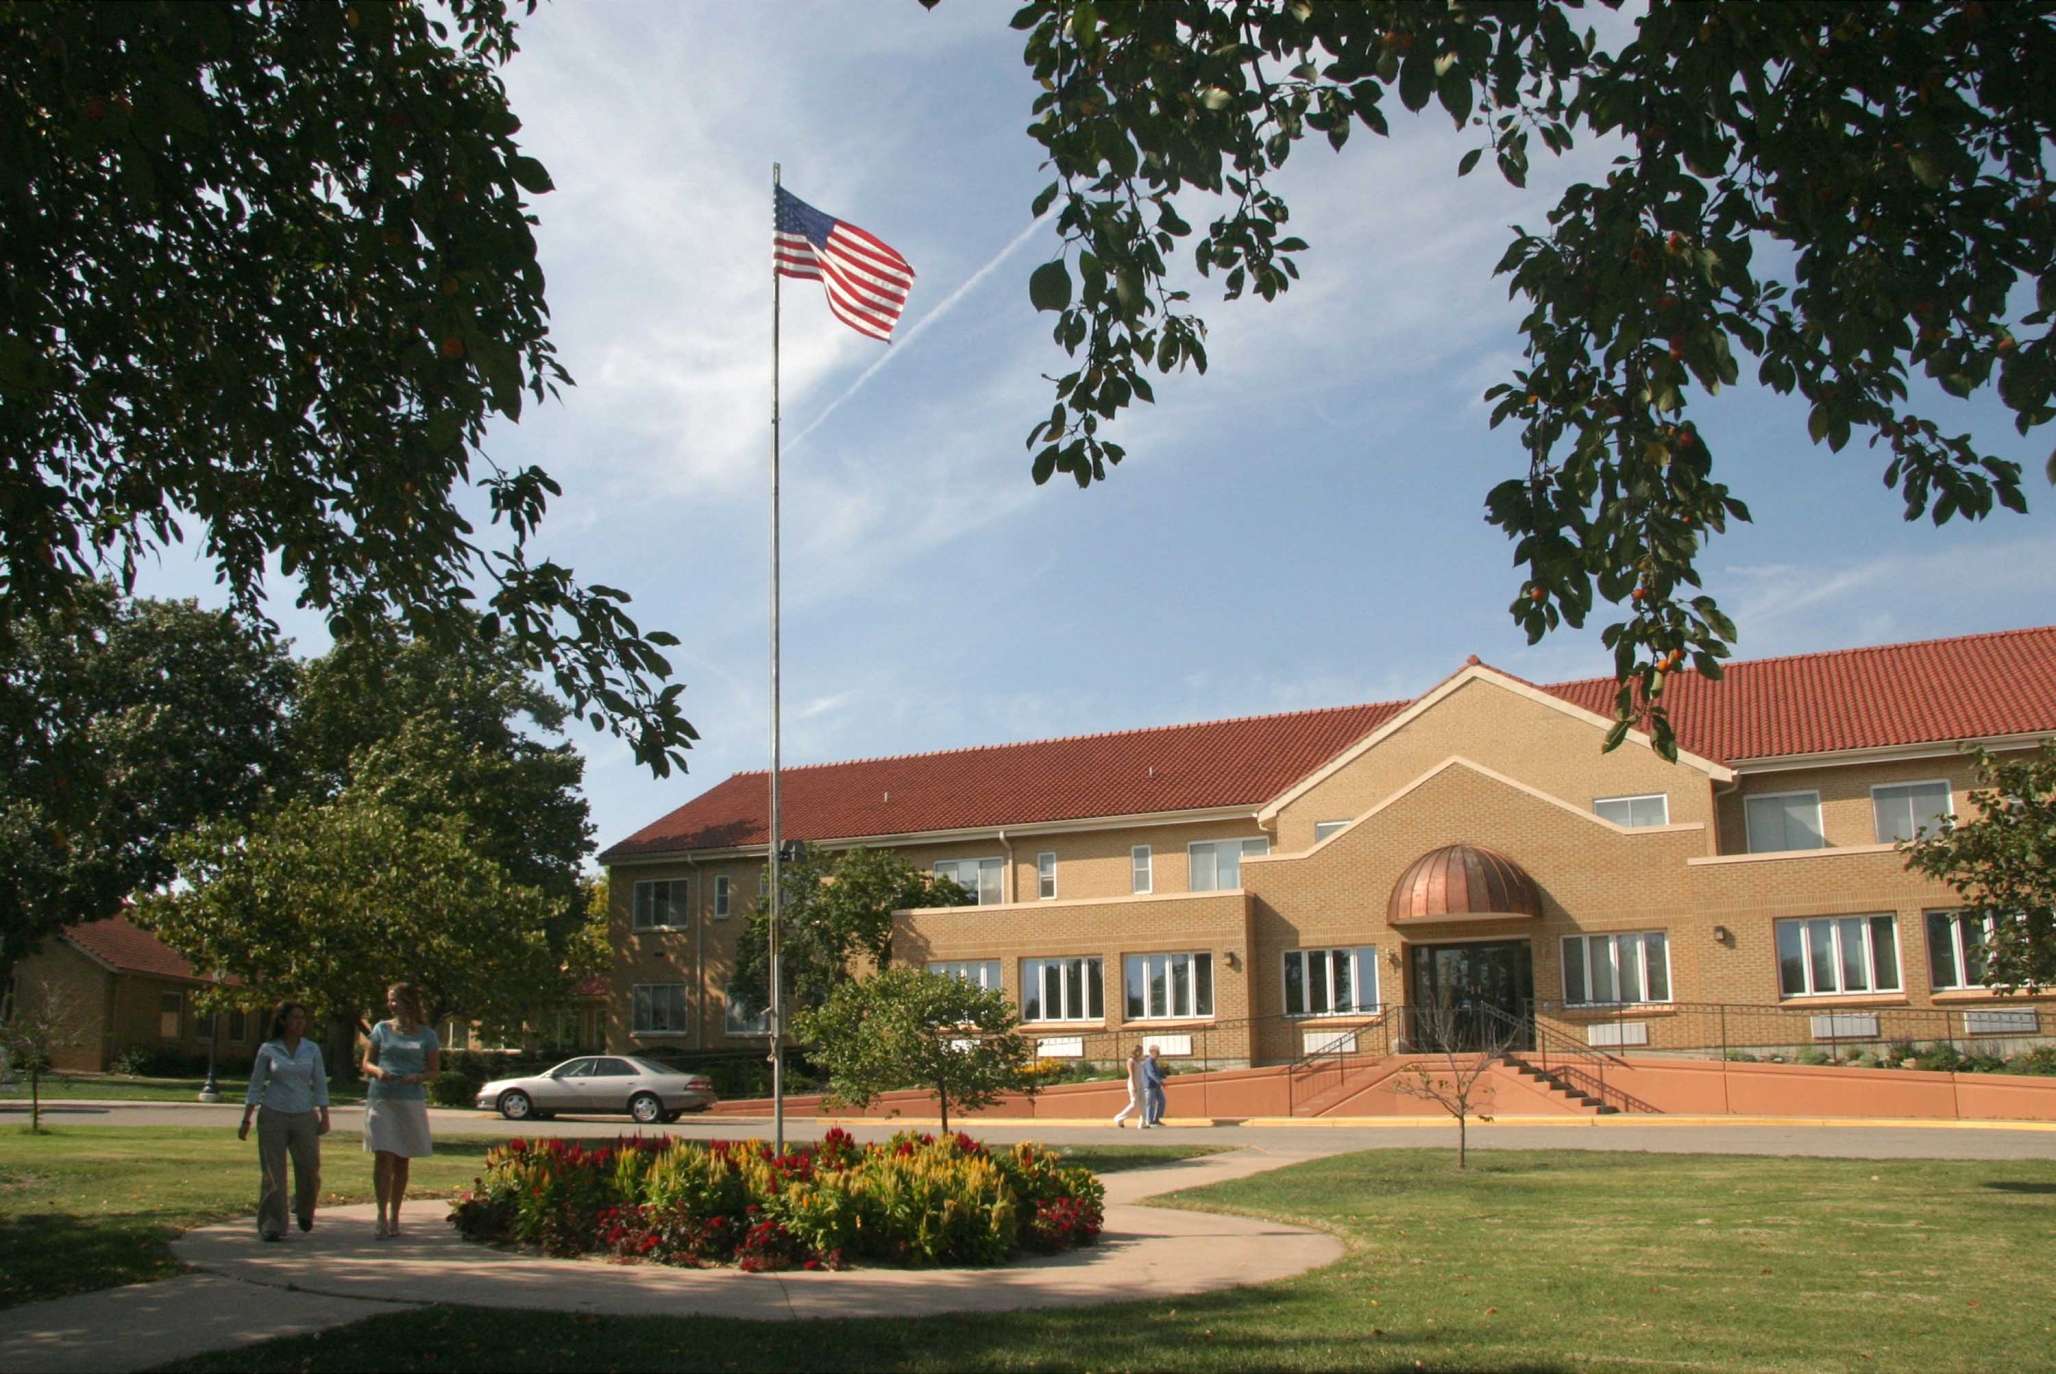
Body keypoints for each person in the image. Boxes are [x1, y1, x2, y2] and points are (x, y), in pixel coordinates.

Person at [239, 1001, 331, 1242]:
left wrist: (325, 1115)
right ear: (282, 1021)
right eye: (294, 1018)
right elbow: (256, 1085)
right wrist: (246, 1118)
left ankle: (304, 1209)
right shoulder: (269, 1049)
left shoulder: (311, 1049)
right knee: (273, 1172)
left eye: (303, 1018)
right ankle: (272, 1223)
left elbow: (320, 1083)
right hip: (273, 1113)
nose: (300, 1023)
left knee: (310, 1167)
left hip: (304, 1114)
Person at [361, 982, 440, 1239]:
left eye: (395, 999)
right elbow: (367, 1062)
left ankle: (396, 1215)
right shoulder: (381, 1029)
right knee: (383, 1155)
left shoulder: (426, 1035)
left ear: (409, 1002)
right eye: (390, 1000)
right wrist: (378, 1072)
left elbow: (433, 1072)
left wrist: (417, 1077)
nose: (391, 1004)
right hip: (382, 1099)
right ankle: (380, 1216)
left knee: (402, 1159)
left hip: (410, 1100)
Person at [1111, 1044, 1147, 1128]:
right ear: (1135, 1051)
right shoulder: (1131, 1061)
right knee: (1134, 1103)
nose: (1140, 1053)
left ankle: (1142, 1123)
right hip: (1133, 1083)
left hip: (1140, 1083)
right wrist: (1134, 1085)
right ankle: (1119, 1118)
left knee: (1143, 1103)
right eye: (1139, 1051)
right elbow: (1131, 1074)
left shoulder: (1138, 1061)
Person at [1143, 1044, 1168, 1128]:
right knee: (1151, 1103)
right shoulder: (1148, 1062)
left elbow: (1156, 1072)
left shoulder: (1154, 1062)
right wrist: (1160, 1082)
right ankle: (1150, 1121)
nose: (1159, 1055)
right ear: (1152, 1053)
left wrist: (1162, 1073)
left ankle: (1157, 1118)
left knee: (1162, 1101)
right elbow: (1151, 1074)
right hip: (1150, 1086)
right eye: (1158, 1053)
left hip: (1156, 1086)